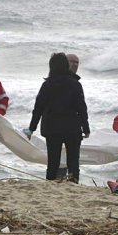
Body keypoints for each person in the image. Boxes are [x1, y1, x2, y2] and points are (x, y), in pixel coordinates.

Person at [24, 53, 90, 183]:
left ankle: (50, 182)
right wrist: (86, 128)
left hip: (52, 128)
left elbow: (38, 108)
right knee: (73, 161)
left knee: (53, 161)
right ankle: (73, 182)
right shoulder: (75, 84)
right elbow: (82, 108)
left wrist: (31, 128)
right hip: (72, 128)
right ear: (66, 65)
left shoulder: (47, 85)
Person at [55, 53, 80, 179]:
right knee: (56, 160)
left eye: (77, 62)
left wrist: (85, 127)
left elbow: (81, 107)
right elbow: (41, 105)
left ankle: (70, 181)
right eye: (72, 62)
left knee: (73, 162)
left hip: (71, 127)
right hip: (58, 127)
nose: (75, 65)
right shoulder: (54, 80)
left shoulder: (76, 82)